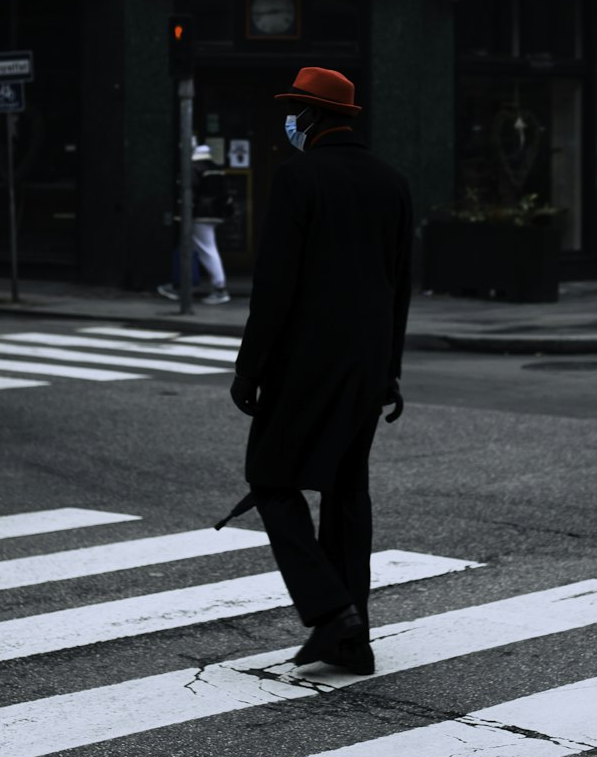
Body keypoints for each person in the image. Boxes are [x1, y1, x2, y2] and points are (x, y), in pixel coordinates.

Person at [219, 66, 413, 676]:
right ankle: (354, 641)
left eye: (294, 113)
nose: (289, 125)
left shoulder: (299, 177)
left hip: (305, 361)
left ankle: (330, 612)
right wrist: (390, 371)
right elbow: (399, 286)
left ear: (311, 117)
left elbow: (274, 284)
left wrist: (249, 369)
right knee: (346, 490)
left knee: (271, 478)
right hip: (365, 364)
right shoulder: (392, 182)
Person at [157, 142, 232, 305]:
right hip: (214, 213)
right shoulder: (214, 167)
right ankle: (182, 285)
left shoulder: (194, 167)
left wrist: (183, 214)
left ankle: (219, 287)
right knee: (193, 248)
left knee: (206, 249)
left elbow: (188, 192)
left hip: (200, 214)